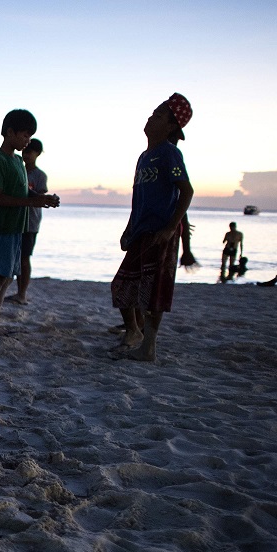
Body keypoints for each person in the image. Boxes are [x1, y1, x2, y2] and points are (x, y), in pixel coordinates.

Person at [110, 93, 194, 361]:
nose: (150, 118)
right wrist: (128, 228)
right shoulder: (144, 157)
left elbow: (186, 191)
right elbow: (139, 199)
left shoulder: (171, 154)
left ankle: (149, 348)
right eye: (152, 113)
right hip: (141, 231)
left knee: (153, 291)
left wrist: (171, 228)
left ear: (170, 126)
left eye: (158, 116)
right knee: (123, 287)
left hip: (160, 234)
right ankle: (134, 331)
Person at [0, 110, 60, 338]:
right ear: (9, 132)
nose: (28, 141)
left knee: (8, 276)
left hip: (18, 227)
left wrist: (40, 199)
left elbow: (23, 190)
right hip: (2, 226)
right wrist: (28, 201)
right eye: (25, 135)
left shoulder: (17, 161)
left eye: (29, 137)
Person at [7, 138, 48, 305]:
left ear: (37, 153)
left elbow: (41, 196)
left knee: (24, 257)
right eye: (25, 152)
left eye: (30, 152)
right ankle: (18, 292)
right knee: (15, 257)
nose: (26, 155)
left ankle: (22, 293)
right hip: (16, 220)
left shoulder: (39, 175)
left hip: (30, 222)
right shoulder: (18, 169)